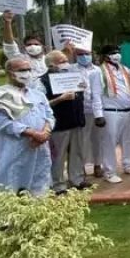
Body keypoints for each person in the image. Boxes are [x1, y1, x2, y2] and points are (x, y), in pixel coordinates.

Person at [0, 57, 55, 195]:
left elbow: (49, 115)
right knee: (10, 184)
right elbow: (0, 122)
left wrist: (45, 132)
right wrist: (32, 133)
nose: (27, 73)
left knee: (39, 184)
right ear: (10, 73)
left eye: (29, 69)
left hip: (40, 147)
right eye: (22, 70)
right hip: (15, 148)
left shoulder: (38, 95)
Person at [39, 51, 89, 192]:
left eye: (66, 60)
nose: (66, 64)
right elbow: (41, 105)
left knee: (77, 153)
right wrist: (60, 99)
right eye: (62, 61)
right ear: (51, 65)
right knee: (58, 156)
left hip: (76, 121)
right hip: (59, 124)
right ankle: (58, 184)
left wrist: (82, 88)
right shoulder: (42, 81)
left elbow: (81, 95)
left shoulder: (73, 76)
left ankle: (77, 180)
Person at [98, 45, 130, 182]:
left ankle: (128, 165)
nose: (117, 54)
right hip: (111, 112)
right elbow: (96, 94)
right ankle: (109, 172)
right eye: (113, 53)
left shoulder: (125, 69)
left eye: (118, 52)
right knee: (110, 142)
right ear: (105, 56)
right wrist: (98, 115)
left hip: (128, 110)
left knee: (129, 139)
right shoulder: (99, 71)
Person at [70, 46, 105, 178]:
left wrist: (99, 114)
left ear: (92, 54)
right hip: (79, 110)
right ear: (75, 56)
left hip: (95, 110)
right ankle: (81, 167)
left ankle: (98, 164)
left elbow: (98, 92)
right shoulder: (71, 69)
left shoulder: (97, 70)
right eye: (80, 54)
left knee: (97, 139)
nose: (84, 57)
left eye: (87, 54)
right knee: (80, 141)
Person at [1, 10, 47, 82]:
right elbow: (9, 45)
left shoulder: (49, 59)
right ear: (25, 47)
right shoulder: (20, 59)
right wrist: (7, 22)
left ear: (43, 46)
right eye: (29, 44)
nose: (32, 46)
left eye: (36, 44)